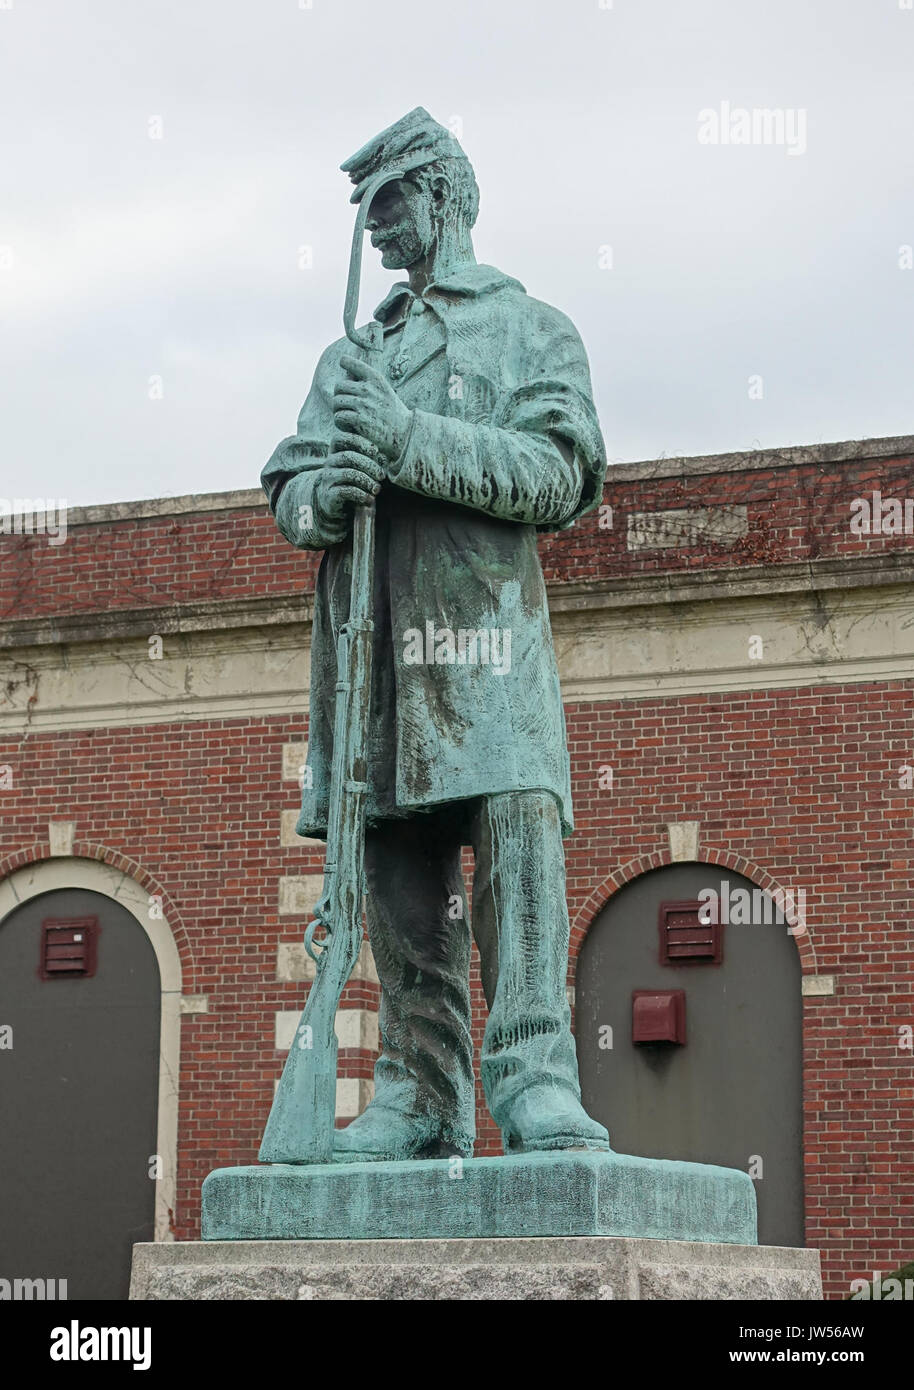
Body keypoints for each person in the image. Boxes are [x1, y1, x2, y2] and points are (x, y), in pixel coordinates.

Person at [262, 108, 610, 1161]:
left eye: (388, 203)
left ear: (444, 196)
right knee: (403, 881)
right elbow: (285, 480)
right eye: (365, 212)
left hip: (484, 648)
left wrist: (410, 444)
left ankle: (535, 1076)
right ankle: (419, 1090)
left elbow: (559, 474)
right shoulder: (354, 356)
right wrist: (324, 494)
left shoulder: (528, 328)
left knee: (514, 848)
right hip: (371, 658)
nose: (373, 229)